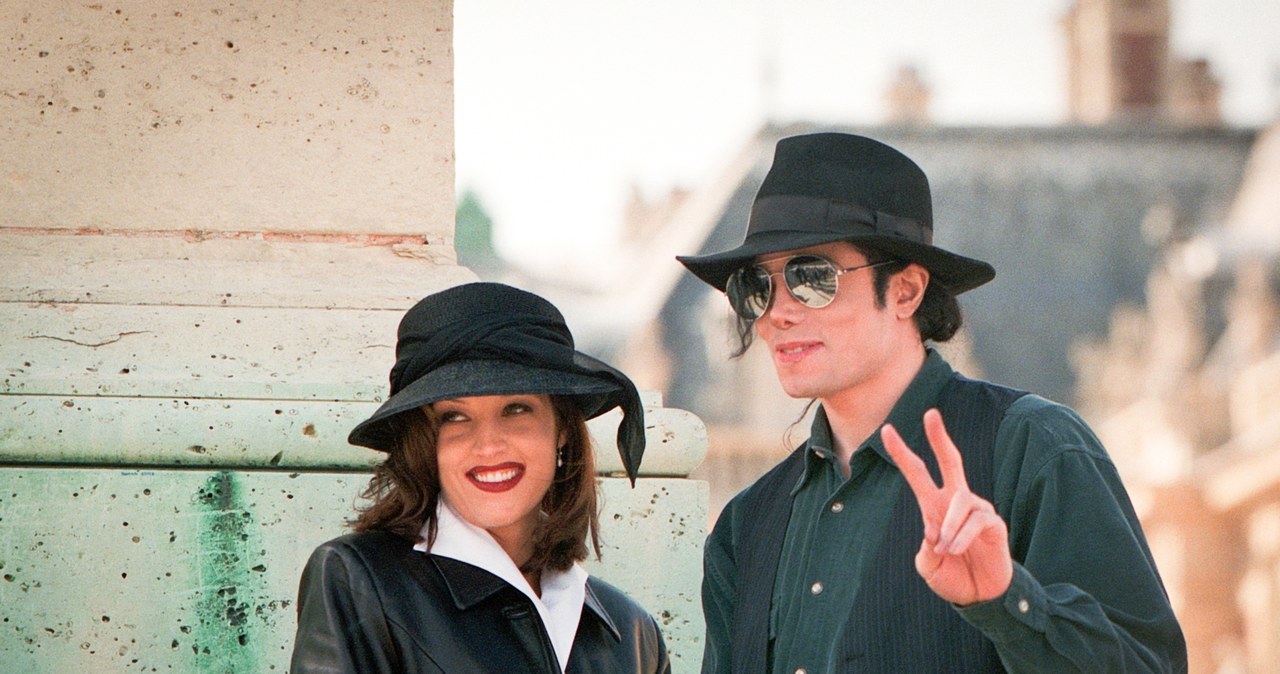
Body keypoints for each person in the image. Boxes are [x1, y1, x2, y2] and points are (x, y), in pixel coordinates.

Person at [677, 132, 1186, 673]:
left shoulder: (1035, 447)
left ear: (905, 291)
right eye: (755, 287)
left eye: (811, 278)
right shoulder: (745, 526)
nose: (777, 312)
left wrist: (1008, 601)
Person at [289, 282, 671, 673]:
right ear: (427, 442)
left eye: (516, 408)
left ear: (562, 430)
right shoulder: (360, 581)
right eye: (454, 416)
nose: (488, 445)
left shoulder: (634, 635)